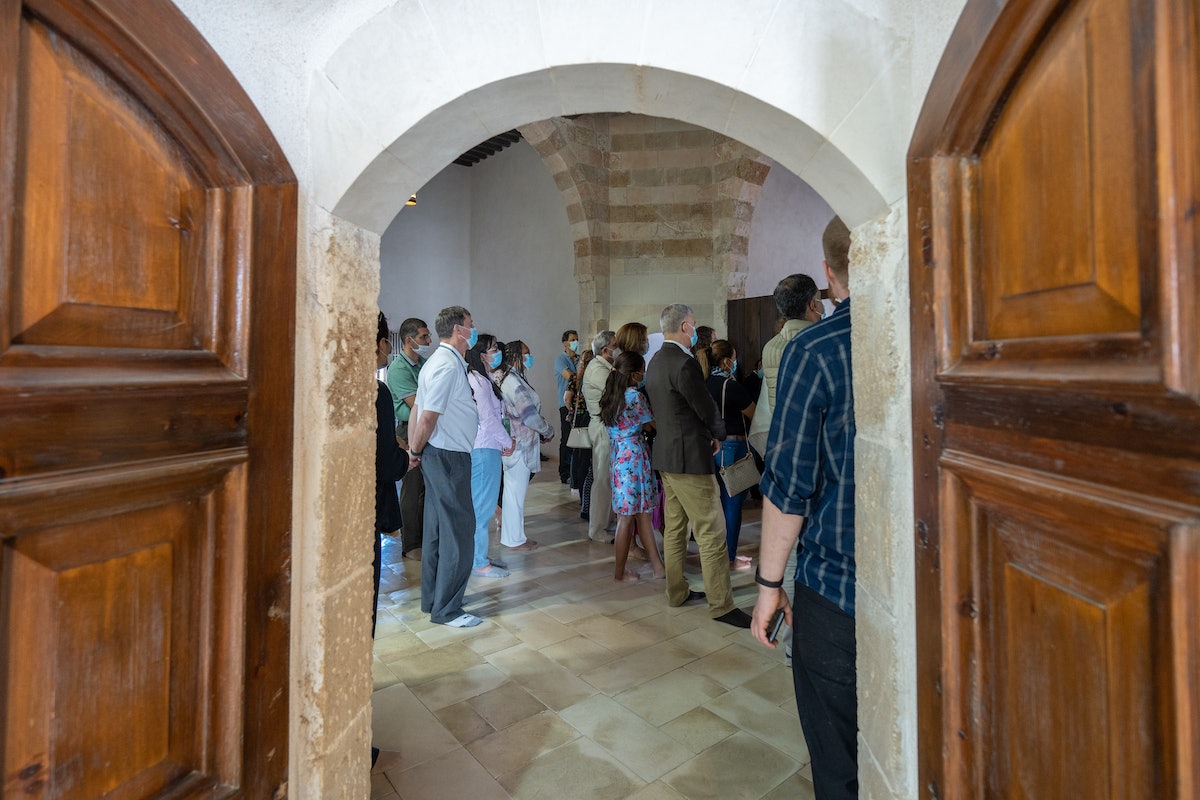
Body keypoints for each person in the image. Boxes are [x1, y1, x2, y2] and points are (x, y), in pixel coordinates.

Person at [751, 216, 856, 799]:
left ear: (828, 275)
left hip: (838, 582)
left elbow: (790, 487)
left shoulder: (811, 349)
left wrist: (769, 583)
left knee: (838, 758)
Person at [643, 304, 751, 628]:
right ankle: (721, 605)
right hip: (690, 458)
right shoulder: (684, 363)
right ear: (687, 326)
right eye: (693, 325)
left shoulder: (656, 362)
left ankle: (676, 592)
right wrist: (717, 434)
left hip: (666, 456)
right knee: (711, 530)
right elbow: (703, 407)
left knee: (675, 530)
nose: (694, 330)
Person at [407, 306, 483, 628]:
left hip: (441, 455)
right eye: (470, 325)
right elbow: (426, 416)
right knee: (459, 533)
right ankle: (448, 610)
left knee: (438, 532)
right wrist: (414, 449)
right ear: (457, 330)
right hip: (448, 457)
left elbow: (420, 412)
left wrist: (416, 449)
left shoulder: (441, 363)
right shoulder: (446, 366)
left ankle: (434, 601)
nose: (473, 329)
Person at [370, 311, 405, 774]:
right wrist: (404, 457)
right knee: (360, 626)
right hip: (360, 515)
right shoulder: (374, 390)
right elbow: (384, 462)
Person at [599, 351, 666, 582]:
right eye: (642, 371)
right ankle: (648, 569)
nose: (644, 375)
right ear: (634, 374)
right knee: (642, 516)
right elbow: (651, 424)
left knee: (625, 517)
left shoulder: (610, 395)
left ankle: (649, 568)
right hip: (635, 457)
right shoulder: (635, 397)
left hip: (618, 457)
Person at [497, 340, 555, 551]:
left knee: (513, 493)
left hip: (518, 441)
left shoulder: (513, 378)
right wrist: (548, 430)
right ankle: (515, 539)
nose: (529, 358)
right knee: (514, 494)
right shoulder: (512, 382)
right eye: (526, 354)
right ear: (514, 357)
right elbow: (529, 416)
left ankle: (514, 536)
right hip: (518, 444)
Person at [704, 339, 756, 570]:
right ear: (727, 361)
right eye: (734, 358)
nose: (735, 362)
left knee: (716, 504)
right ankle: (729, 557)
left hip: (711, 447)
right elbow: (753, 413)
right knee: (733, 503)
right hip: (732, 447)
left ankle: (717, 554)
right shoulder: (730, 385)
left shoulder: (704, 383)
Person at [466, 334, 515, 578]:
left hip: (490, 447)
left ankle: (481, 555)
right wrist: (507, 441)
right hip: (485, 448)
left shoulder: (485, 378)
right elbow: (487, 419)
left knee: (484, 504)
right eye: (493, 348)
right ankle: (477, 562)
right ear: (481, 354)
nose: (498, 352)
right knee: (482, 508)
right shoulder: (477, 380)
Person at [386, 317, 434, 559]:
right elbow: (417, 404)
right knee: (413, 488)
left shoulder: (424, 363)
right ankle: (412, 544)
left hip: (427, 426)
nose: (429, 340)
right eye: (424, 337)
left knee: (427, 488)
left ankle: (426, 539)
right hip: (409, 428)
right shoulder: (398, 369)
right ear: (409, 340)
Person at [761, 273, 823, 408]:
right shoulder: (821, 344)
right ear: (813, 304)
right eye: (819, 300)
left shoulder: (769, 347)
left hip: (780, 424)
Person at [582, 330, 617, 542]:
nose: (618, 349)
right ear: (606, 350)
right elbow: (616, 392)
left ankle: (608, 521)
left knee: (609, 479)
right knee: (602, 479)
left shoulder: (605, 367)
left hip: (609, 426)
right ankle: (597, 529)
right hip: (603, 426)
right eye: (616, 345)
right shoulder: (597, 369)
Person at [554, 330, 580, 483]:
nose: (575, 342)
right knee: (567, 437)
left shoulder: (579, 359)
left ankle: (574, 470)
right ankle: (564, 472)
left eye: (577, 339)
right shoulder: (560, 359)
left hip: (580, 405)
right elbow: (570, 377)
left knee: (577, 438)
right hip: (565, 404)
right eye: (572, 340)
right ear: (565, 343)